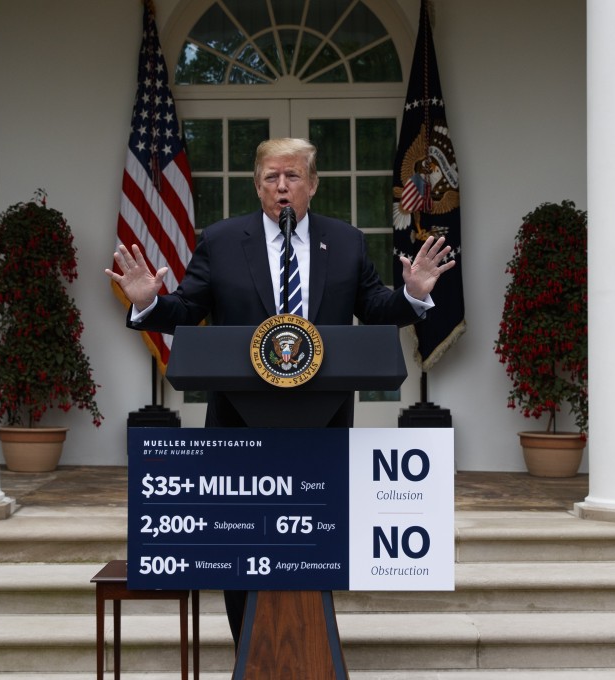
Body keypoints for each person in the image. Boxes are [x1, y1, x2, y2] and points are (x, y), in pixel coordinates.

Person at [106, 137, 454, 647]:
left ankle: (308, 649)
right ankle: (250, 650)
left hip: (322, 419)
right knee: (241, 543)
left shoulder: (346, 241)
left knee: (313, 541)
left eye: (293, 177)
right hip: (238, 421)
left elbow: (376, 307)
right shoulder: (223, 241)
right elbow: (184, 309)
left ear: (313, 185)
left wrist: (413, 294)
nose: (282, 187)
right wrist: (148, 304)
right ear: (257, 185)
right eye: (271, 177)